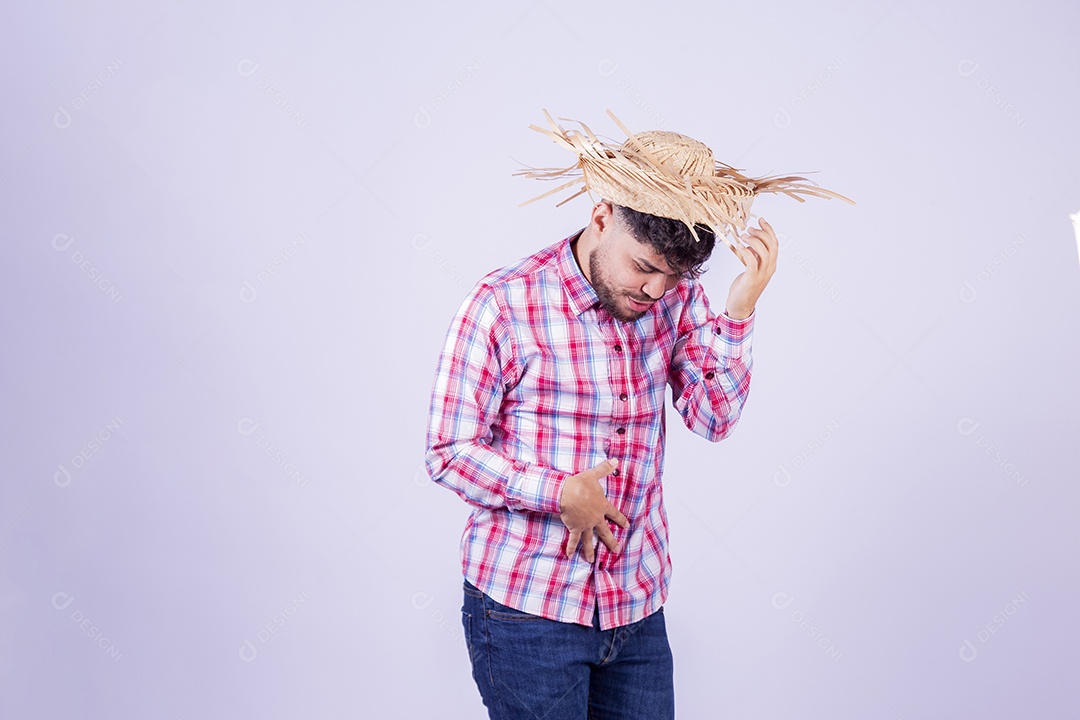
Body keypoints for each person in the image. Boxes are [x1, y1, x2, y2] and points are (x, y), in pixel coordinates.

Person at [424, 109, 852, 719]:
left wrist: (739, 312)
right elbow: (446, 451)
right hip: (525, 610)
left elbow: (714, 418)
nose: (654, 290)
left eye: (674, 275)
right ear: (602, 217)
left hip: (635, 606)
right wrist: (557, 493)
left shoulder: (675, 298)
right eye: (644, 266)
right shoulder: (502, 305)